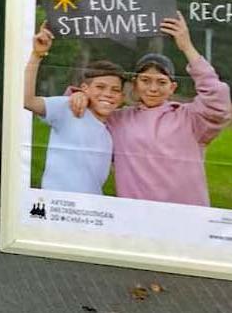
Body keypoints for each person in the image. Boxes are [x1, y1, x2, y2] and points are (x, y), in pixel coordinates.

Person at [70, 14, 231, 206]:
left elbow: (217, 98)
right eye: (145, 81)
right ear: (135, 85)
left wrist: (187, 47)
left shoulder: (191, 118)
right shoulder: (118, 119)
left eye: (161, 82)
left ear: (172, 88)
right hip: (137, 216)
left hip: (188, 214)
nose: (153, 89)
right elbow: (75, 113)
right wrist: (78, 96)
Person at [24, 23, 123, 196]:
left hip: (92, 209)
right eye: (100, 87)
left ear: (121, 97)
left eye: (115, 90)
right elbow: (27, 100)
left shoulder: (112, 130)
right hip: (55, 205)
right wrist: (37, 55)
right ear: (85, 88)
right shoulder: (68, 108)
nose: (108, 94)